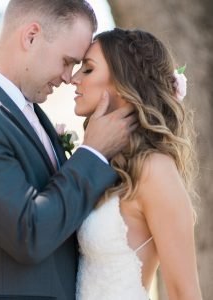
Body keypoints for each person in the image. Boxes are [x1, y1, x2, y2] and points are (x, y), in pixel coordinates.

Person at [0, 2, 137, 300]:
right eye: (66, 61)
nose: (68, 77)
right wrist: (93, 153)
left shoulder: (27, 110)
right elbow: (30, 233)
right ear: (31, 36)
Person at [72, 28, 202, 300]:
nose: (74, 79)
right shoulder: (100, 162)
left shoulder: (154, 169)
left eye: (87, 70)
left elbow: (183, 293)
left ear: (122, 82)